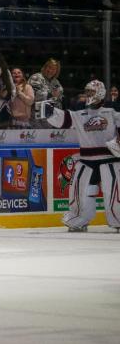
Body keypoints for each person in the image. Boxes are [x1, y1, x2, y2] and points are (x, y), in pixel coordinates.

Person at [45, 80, 120, 232]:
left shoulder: (112, 109)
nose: (88, 95)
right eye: (87, 91)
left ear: (100, 92)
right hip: (87, 159)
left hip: (110, 159)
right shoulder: (80, 110)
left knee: (114, 192)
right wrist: (50, 112)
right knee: (81, 192)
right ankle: (78, 219)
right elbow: (65, 119)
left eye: (91, 92)